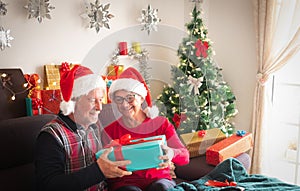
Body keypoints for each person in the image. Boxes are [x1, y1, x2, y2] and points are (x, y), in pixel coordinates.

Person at [35, 63, 132, 191]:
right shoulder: (51, 136)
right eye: (92, 100)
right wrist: (98, 171)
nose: (99, 107)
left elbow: (104, 170)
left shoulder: (93, 128)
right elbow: (50, 185)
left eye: (101, 100)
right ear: (72, 102)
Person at [102, 67, 190, 191]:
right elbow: (106, 165)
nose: (124, 104)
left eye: (130, 98)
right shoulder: (109, 131)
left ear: (141, 98)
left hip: (160, 180)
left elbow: (185, 156)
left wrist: (171, 153)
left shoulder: (161, 123)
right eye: (119, 99)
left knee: (161, 188)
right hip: (125, 183)